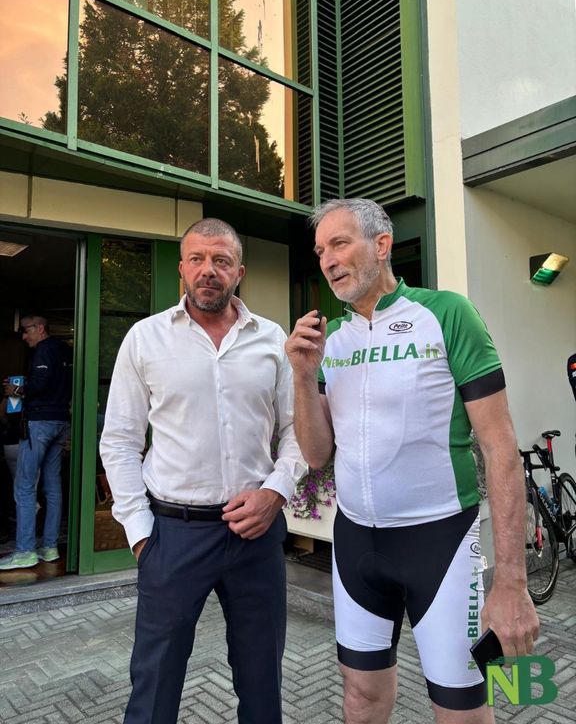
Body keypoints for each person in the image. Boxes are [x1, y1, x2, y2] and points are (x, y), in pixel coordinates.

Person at [285, 198, 539, 724]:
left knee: (463, 708)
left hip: (442, 543)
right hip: (356, 542)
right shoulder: (332, 341)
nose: (327, 259)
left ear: (381, 245)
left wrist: (512, 582)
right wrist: (303, 378)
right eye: (320, 250)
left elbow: (501, 448)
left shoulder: (446, 314)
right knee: (360, 696)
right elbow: (316, 454)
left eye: (339, 243)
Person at [99, 218, 306, 724]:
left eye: (221, 261)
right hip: (173, 535)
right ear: (182, 269)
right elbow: (120, 440)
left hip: (255, 535)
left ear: (240, 272)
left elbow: (297, 430)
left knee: (262, 681)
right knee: (154, 685)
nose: (207, 270)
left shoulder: (271, 340)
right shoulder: (145, 339)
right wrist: (140, 533)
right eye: (197, 259)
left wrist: (276, 492)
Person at [0, 316, 72, 570]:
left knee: (24, 486)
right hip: (61, 421)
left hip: (40, 423)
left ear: (40, 328)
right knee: (53, 487)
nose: (23, 336)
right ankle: (50, 547)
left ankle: (25, 550)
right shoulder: (65, 350)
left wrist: (16, 390)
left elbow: (40, 385)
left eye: (26, 330)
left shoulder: (44, 349)